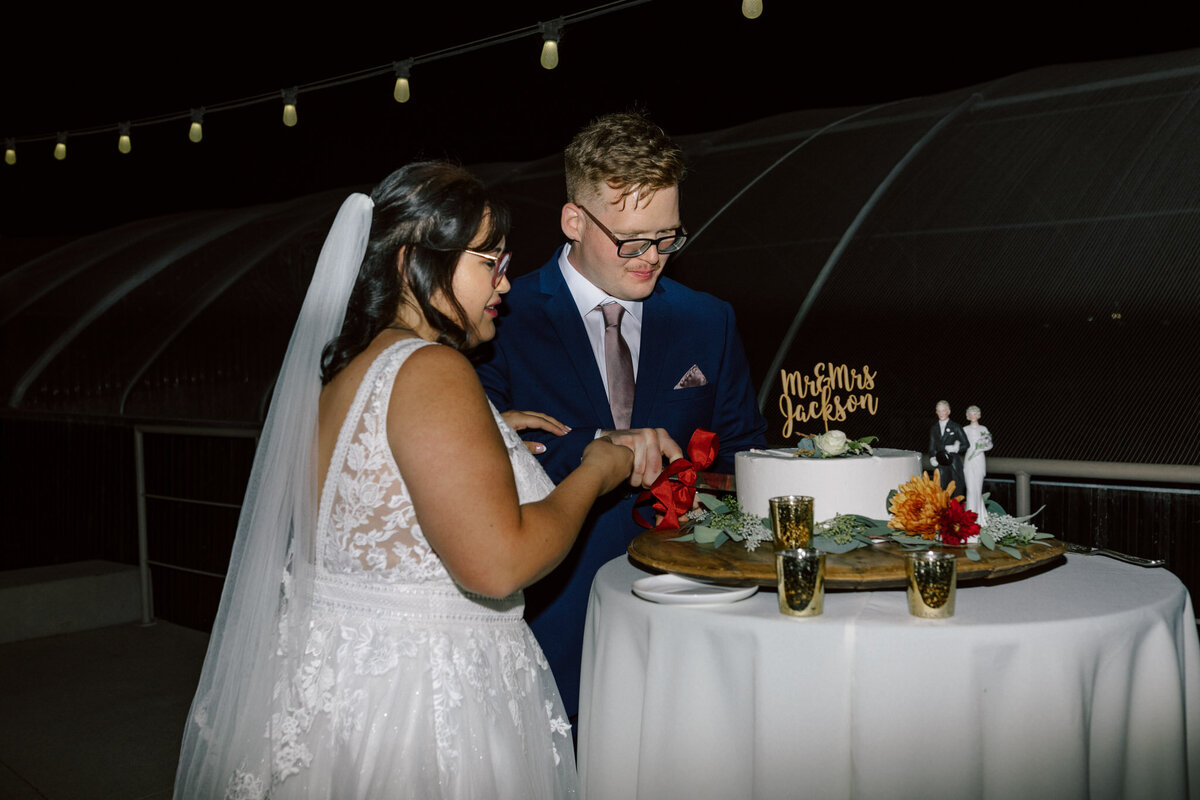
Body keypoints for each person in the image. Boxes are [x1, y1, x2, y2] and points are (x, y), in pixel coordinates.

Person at [174, 162, 634, 799]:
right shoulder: (432, 370)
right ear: (413, 261)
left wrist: (490, 433)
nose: (505, 285)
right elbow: (498, 566)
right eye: (489, 263)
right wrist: (595, 473)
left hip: (341, 687)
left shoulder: (346, 370)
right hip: (424, 701)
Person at [476, 111, 768, 717]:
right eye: (633, 240)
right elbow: (481, 459)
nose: (653, 257)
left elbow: (744, 457)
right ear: (574, 221)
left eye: (669, 238)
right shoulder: (500, 317)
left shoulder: (707, 319)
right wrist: (605, 444)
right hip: (546, 618)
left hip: (688, 620)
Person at [929, 399, 970, 494]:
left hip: (953, 463)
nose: (941, 413)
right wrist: (932, 458)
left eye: (943, 410)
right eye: (939, 411)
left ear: (948, 411)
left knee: (956, 489)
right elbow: (931, 447)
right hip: (940, 463)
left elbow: (966, 444)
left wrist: (956, 448)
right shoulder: (934, 429)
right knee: (941, 490)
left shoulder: (956, 427)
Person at [963, 404, 993, 524]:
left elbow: (989, 444)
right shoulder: (965, 429)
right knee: (970, 489)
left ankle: (980, 518)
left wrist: (980, 449)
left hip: (979, 458)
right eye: (971, 413)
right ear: (967, 416)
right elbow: (959, 443)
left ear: (979, 415)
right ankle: (970, 516)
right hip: (969, 458)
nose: (973, 415)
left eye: (975, 413)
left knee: (977, 488)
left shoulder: (983, 429)